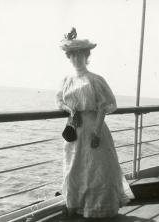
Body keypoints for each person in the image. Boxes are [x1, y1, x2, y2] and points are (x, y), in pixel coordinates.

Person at [56, 28, 131, 220]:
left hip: (93, 127)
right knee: (75, 167)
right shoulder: (66, 80)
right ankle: (75, 205)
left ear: (86, 56)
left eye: (80, 55)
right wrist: (70, 110)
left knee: (96, 169)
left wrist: (96, 132)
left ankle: (98, 209)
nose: (76, 59)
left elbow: (104, 107)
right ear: (69, 57)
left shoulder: (95, 80)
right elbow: (59, 101)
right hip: (74, 128)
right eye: (73, 55)